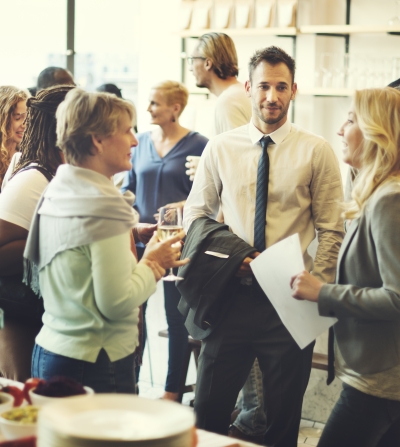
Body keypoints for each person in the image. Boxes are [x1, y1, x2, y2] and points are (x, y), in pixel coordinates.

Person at [183, 46, 344, 447]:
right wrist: (229, 259)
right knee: (208, 413)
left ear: (294, 91)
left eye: (281, 87)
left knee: (282, 422)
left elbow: (331, 229)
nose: (272, 97)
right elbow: (196, 216)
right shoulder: (220, 147)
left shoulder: (316, 150)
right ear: (248, 87)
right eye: (264, 87)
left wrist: (316, 286)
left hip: (289, 301)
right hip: (229, 297)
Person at [27, 88, 188, 392]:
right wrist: (154, 262)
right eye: (127, 130)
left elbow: (79, 257)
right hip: (94, 361)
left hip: (51, 350)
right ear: (97, 140)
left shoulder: (59, 187)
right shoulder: (104, 207)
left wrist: (127, 231)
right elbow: (116, 303)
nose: (135, 140)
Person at [291, 87, 400, 447]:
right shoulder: (376, 192)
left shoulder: (390, 200)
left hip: (380, 376)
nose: (340, 130)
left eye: (350, 120)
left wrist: (323, 292)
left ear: (376, 132)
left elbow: (396, 298)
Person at [122, 80, 208, 401]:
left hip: (178, 244)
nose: (148, 109)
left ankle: (172, 391)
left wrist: (183, 207)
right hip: (140, 242)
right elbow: (126, 190)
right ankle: (129, 384)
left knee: (177, 320)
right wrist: (133, 224)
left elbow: (209, 193)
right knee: (134, 314)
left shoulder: (200, 145)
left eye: (155, 103)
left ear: (176, 108)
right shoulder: (139, 141)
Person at [0, 85, 75, 381]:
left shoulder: (56, 169)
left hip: (46, 316)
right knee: (24, 401)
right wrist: (55, 240)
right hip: (24, 313)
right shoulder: (33, 176)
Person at [0, 86, 28, 186]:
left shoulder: (27, 155)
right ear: (3, 119)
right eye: (18, 118)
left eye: (27, 117)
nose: (24, 124)